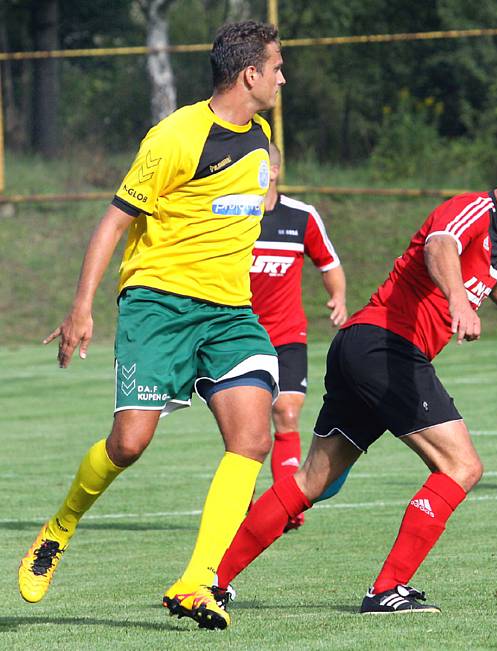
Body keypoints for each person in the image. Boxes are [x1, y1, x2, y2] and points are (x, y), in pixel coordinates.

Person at [211, 145, 497, 619]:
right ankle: (388, 589)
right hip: (386, 347)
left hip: (360, 347)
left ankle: (212, 580)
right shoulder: (472, 210)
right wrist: (458, 301)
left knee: (312, 480)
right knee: (461, 466)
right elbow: (440, 244)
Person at [18, 21, 286, 630]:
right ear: (250, 73)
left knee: (252, 439)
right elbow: (115, 221)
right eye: (276, 66)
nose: (282, 76)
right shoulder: (175, 136)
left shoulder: (262, 136)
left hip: (229, 314)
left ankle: (196, 582)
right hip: (158, 307)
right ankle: (60, 526)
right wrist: (82, 307)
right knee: (128, 444)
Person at [251, 143, 348, 530]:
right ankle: (249, 501)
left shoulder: (301, 217)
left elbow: (330, 264)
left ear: (273, 171)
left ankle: (286, 506)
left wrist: (338, 297)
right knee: (251, 430)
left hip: (288, 333)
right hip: (240, 336)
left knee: (287, 413)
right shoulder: (229, 217)